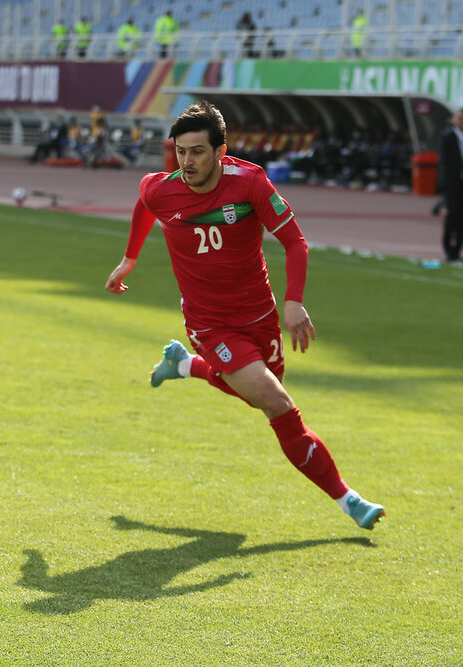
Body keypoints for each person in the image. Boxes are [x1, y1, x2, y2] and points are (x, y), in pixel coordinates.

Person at [104, 101, 385, 531]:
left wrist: (293, 301)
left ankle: (184, 365)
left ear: (221, 151)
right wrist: (129, 258)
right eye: (180, 151)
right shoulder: (164, 189)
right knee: (277, 403)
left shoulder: (250, 183)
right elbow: (146, 202)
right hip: (209, 322)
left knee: (259, 394)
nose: (187, 162)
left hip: (259, 315)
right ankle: (348, 499)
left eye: (197, 151)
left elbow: (295, 242)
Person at [437, 109, 463, 265]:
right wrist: (459, 172)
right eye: (460, 118)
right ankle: (447, 249)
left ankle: (456, 251)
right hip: (453, 183)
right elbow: (446, 159)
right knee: (453, 214)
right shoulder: (448, 136)